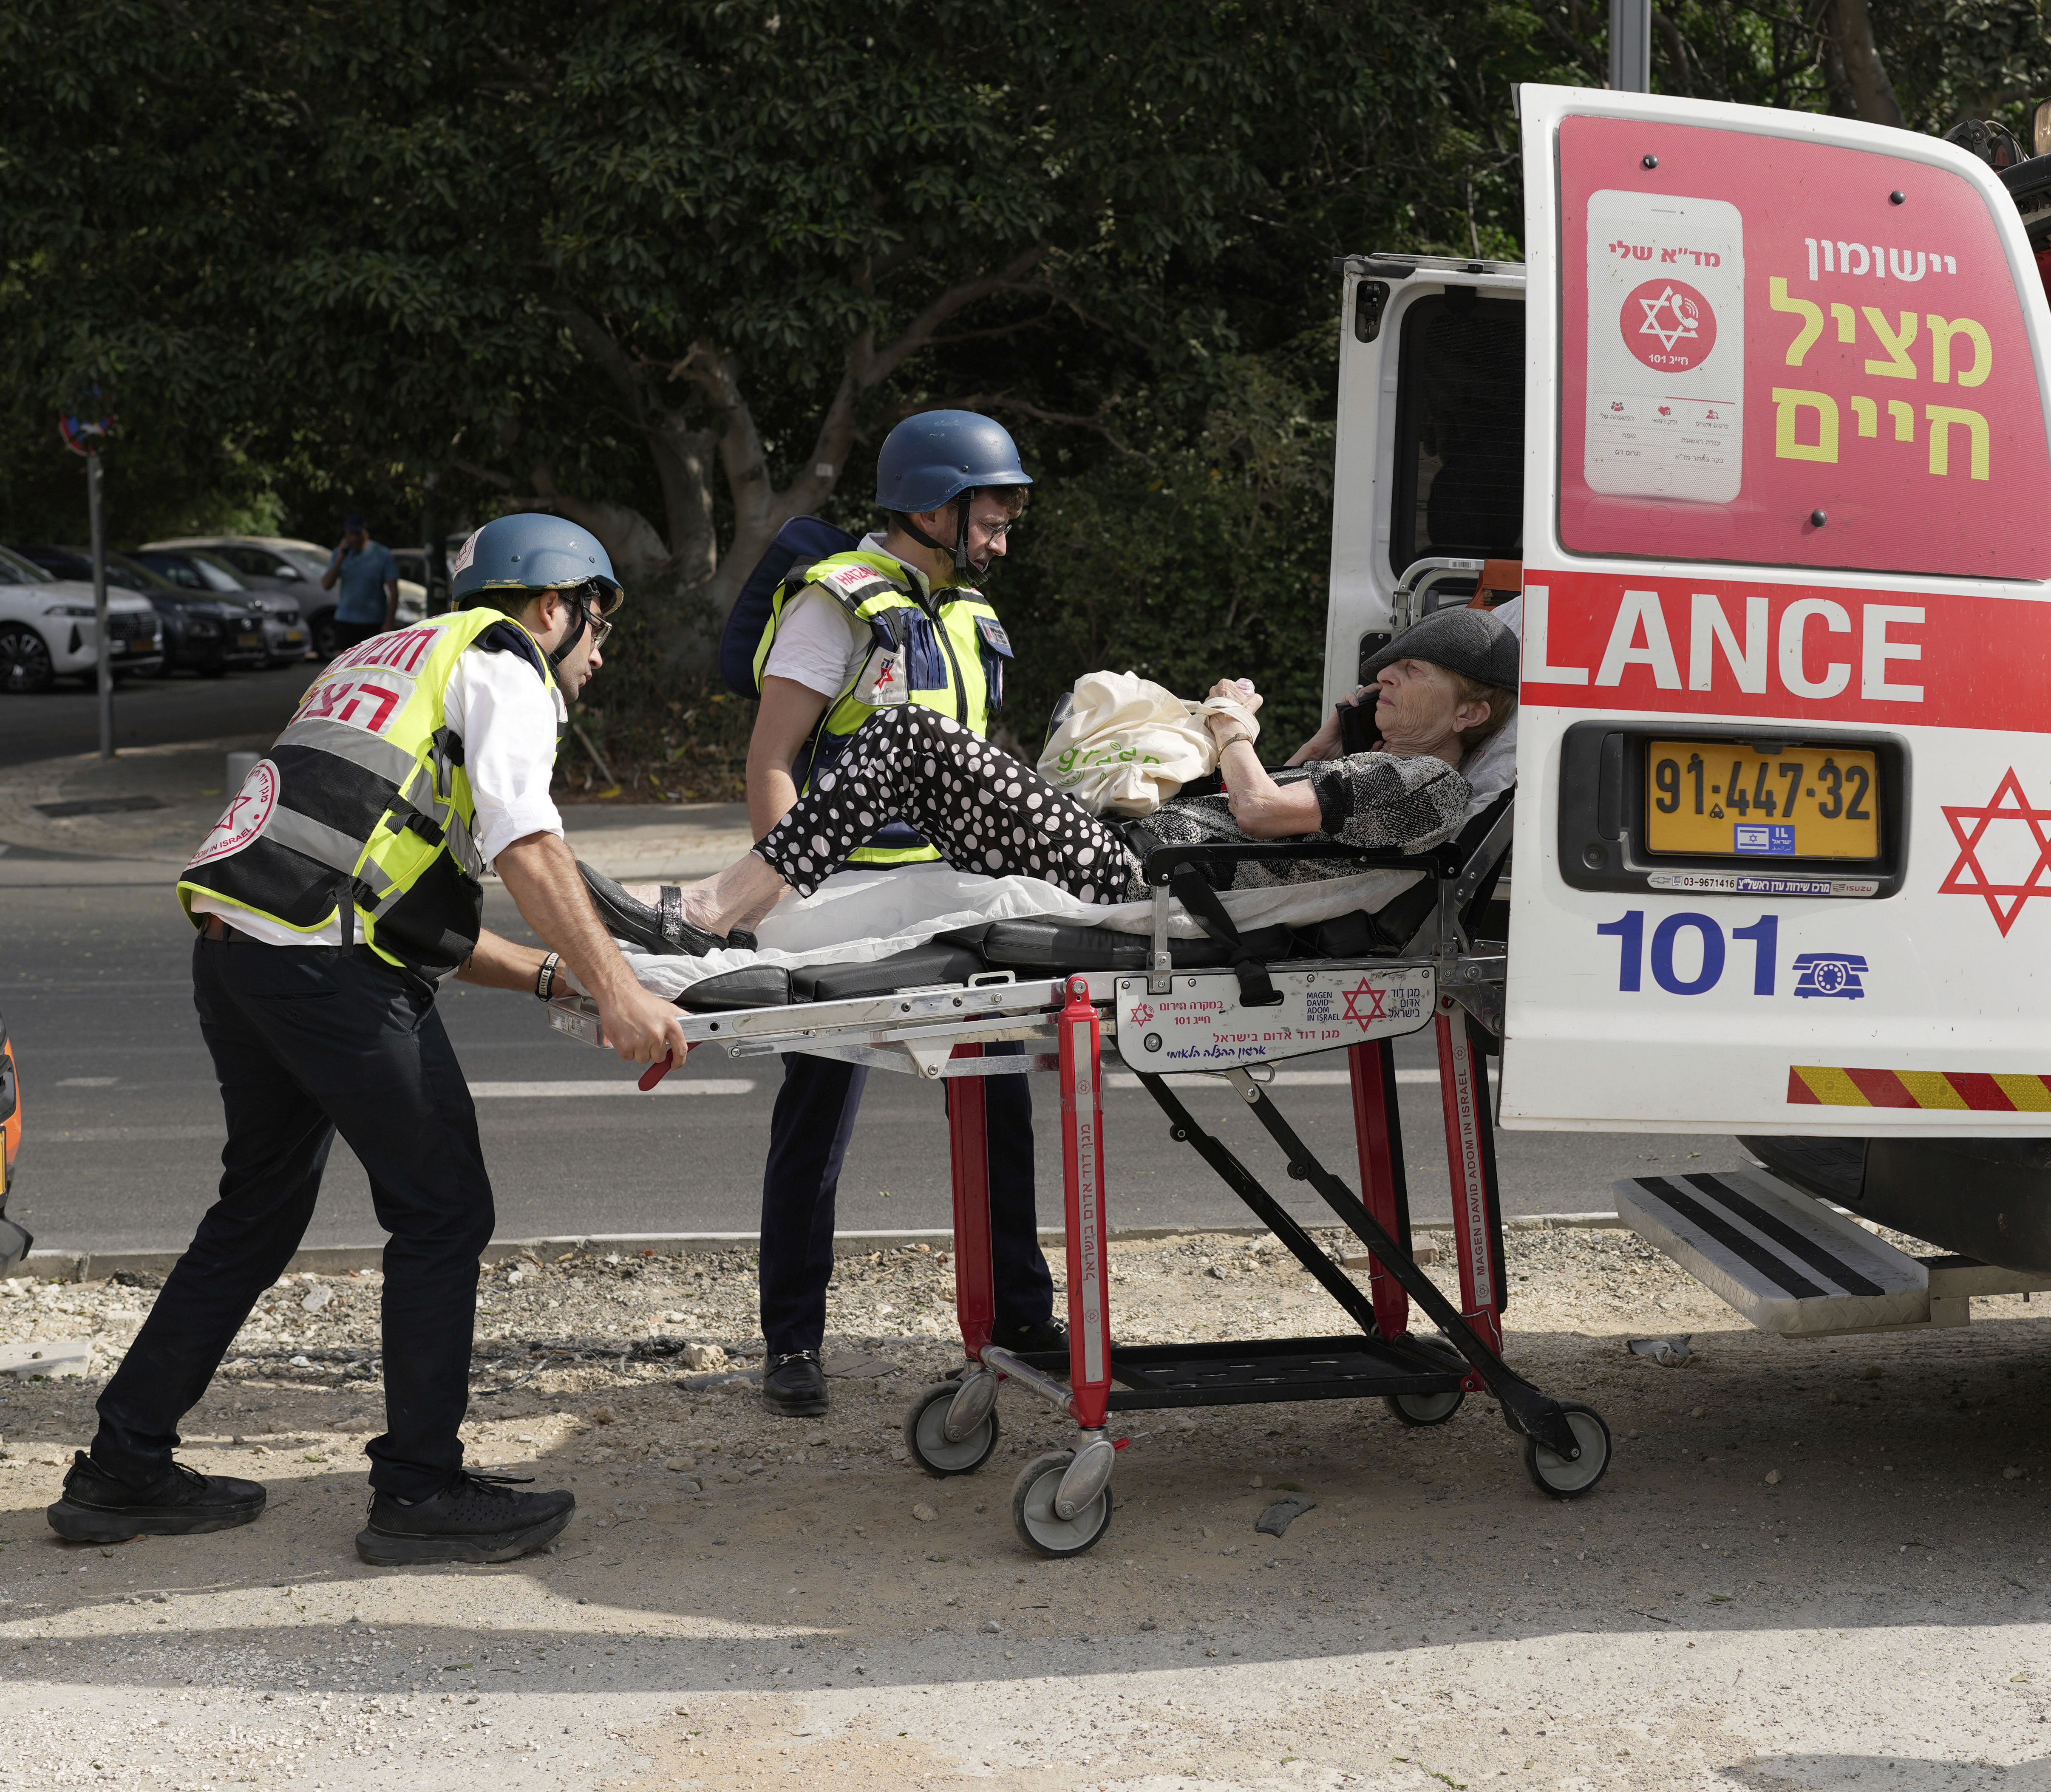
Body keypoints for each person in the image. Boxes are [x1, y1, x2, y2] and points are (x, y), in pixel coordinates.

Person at [49, 515, 692, 1566]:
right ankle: (419, 1495)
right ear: (550, 606)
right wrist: (619, 991)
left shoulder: (385, 657)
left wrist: (551, 977)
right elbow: (527, 842)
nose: (601, 651)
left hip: (246, 950)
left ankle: (120, 1471)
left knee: (257, 1213)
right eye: (598, 622)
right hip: (324, 966)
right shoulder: (504, 664)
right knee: (444, 1209)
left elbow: (389, 892)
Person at [721, 409, 1054, 1418]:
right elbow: (772, 761)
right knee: (817, 1117)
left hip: (952, 902)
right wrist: (796, 902)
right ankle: (791, 1343)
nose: (1001, 540)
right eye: (989, 519)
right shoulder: (836, 606)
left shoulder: (969, 617)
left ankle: (1019, 1317)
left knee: (1000, 1101)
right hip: (848, 900)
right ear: (930, 506)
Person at [647, 603, 1519, 931]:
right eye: (1387, 669)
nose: (1386, 679)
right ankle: (733, 906)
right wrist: (1333, 733)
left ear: (1473, 712)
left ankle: (717, 907)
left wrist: (1231, 725)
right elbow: (1286, 805)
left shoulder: (1429, 787)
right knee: (901, 752)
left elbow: (1255, 813)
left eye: (1413, 672)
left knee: (910, 736)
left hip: (1141, 874)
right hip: (1133, 856)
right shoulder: (1382, 771)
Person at [319, 515, 400, 651]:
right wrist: (340, 558)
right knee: (341, 666)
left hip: (374, 622)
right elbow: (326, 585)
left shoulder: (382, 554)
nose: (354, 539)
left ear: (366, 533)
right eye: (351, 534)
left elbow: (394, 591)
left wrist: (389, 622)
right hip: (345, 620)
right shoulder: (340, 554)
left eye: (358, 534)